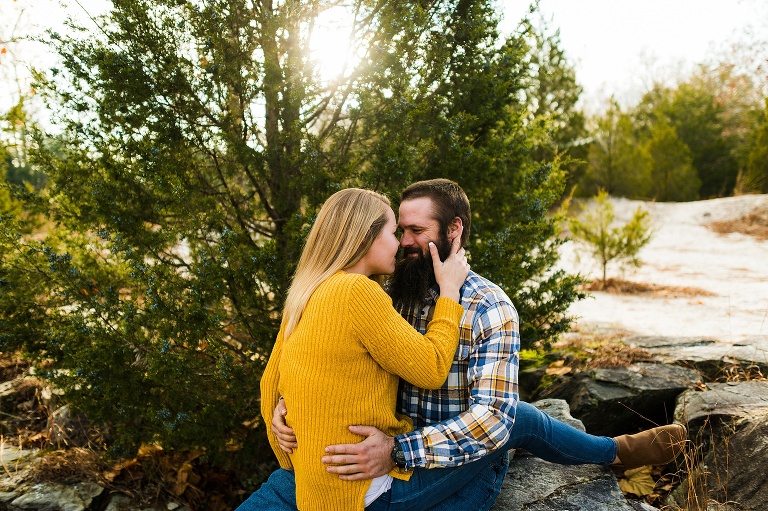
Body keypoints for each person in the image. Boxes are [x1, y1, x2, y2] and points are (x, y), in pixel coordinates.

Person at [240, 179, 687, 511]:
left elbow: (490, 421)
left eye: (415, 230)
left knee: (513, 419)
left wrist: (396, 450)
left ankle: (616, 452)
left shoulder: (489, 306)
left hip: (434, 451)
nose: (404, 244)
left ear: (454, 230)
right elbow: (309, 359)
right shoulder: (381, 291)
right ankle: (616, 451)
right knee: (522, 419)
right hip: (369, 466)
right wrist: (287, 409)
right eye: (399, 230)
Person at [254, 188, 471, 511]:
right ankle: (579, 469)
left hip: (315, 494)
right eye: (392, 232)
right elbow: (432, 368)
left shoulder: (306, 290)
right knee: (519, 421)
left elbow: (269, 387)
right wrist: (450, 291)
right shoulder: (357, 291)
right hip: (367, 493)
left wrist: (288, 442)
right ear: (365, 237)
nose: (400, 244)